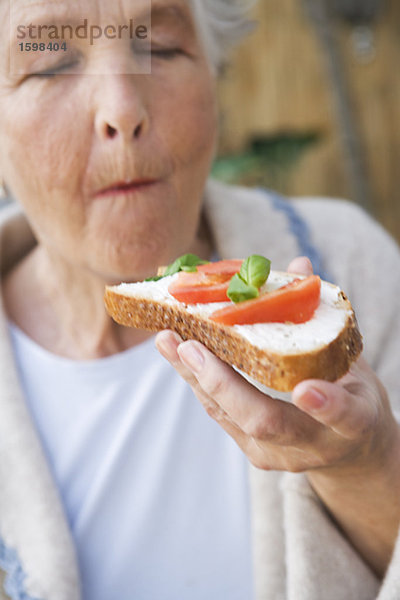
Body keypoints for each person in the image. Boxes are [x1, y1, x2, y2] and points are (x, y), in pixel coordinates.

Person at [0, 1, 399, 599]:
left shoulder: (349, 263)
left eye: (160, 48)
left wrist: (365, 465)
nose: (123, 110)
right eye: (51, 63)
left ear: (215, 77)